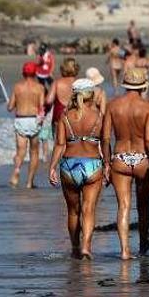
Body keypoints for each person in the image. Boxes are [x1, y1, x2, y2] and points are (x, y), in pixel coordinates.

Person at [48, 78, 106, 260]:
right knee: (89, 209)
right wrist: (108, 165)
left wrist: (52, 167)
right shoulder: (99, 117)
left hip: (69, 165)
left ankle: (74, 247)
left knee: (73, 211)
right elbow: (104, 143)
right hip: (92, 165)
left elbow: (59, 145)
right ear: (92, 95)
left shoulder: (64, 117)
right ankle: (87, 246)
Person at [102, 68, 149, 259]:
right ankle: (142, 242)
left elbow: (106, 138)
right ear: (143, 86)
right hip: (142, 158)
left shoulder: (112, 105)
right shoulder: (148, 107)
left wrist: (106, 163)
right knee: (143, 205)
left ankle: (124, 250)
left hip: (120, 158)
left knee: (123, 206)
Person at [7, 62, 45, 188]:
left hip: (21, 119)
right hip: (34, 120)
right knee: (34, 152)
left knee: (20, 151)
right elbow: (41, 106)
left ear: (23, 72)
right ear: (35, 73)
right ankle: (29, 182)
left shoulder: (17, 87)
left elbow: (10, 107)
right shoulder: (39, 88)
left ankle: (17, 170)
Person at [46, 58, 79, 133]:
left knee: (59, 142)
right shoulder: (80, 83)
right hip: (77, 116)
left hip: (59, 115)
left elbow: (48, 101)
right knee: (75, 143)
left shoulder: (57, 83)